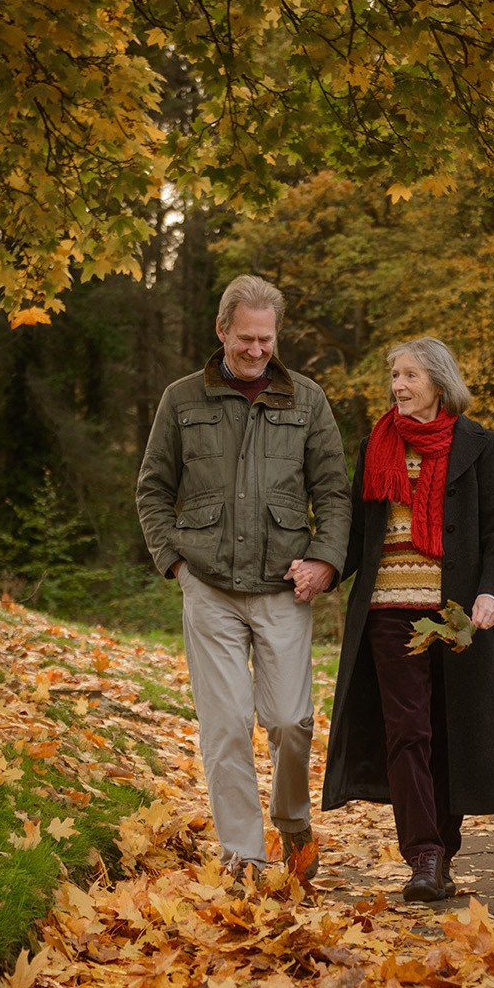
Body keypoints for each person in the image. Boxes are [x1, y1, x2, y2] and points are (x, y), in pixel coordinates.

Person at [136, 274, 351, 875]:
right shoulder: (181, 401)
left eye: (267, 339)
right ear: (222, 331)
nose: (257, 350)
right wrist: (175, 563)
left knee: (289, 720)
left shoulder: (307, 400)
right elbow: (153, 489)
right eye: (246, 339)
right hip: (207, 584)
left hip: (285, 584)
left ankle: (291, 822)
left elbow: (332, 490)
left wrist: (326, 561)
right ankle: (244, 856)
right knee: (226, 724)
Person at [322, 337, 494, 901]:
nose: (397, 385)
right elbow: (354, 535)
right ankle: (422, 854)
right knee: (408, 733)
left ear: (438, 384)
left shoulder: (477, 445)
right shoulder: (375, 444)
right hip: (389, 613)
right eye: (394, 375)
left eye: (408, 376)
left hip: (456, 616)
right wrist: (319, 568)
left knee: (449, 732)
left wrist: (493, 593)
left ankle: (443, 848)